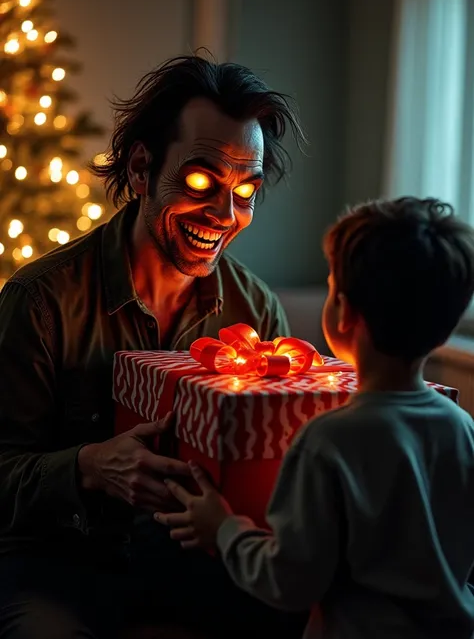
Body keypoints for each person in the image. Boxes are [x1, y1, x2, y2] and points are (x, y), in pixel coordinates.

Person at [0, 54, 309, 638]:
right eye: (200, 180)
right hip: (55, 560)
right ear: (141, 167)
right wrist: (88, 466)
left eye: (246, 190)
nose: (225, 213)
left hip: (195, 560)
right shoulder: (40, 300)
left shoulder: (255, 310)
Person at [158, 196, 474, 639]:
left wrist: (224, 529)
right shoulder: (462, 427)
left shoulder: (329, 440)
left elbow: (289, 582)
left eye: (330, 286)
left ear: (343, 312)